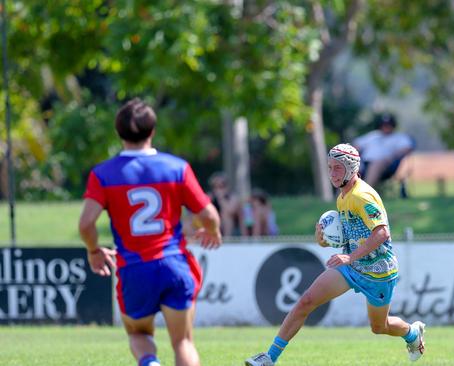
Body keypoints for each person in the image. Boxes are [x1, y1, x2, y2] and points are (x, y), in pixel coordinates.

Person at [245, 143, 425, 366]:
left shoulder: (363, 196)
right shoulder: (342, 197)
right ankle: (269, 358)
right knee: (306, 301)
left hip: (379, 272)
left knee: (380, 327)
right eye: (329, 167)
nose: (332, 173)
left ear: (351, 169)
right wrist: (323, 239)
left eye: (337, 168)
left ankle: (412, 333)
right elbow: (349, 237)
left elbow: (382, 233)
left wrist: (350, 256)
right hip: (351, 268)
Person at [78, 98, 222, 366]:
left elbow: (86, 224)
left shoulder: (103, 174)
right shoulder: (176, 168)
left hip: (134, 269)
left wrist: (94, 251)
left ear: (118, 132)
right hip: (173, 264)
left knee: (139, 334)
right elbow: (209, 215)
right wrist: (212, 231)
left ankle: (150, 363)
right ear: (152, 131)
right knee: (183, 342)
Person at [353, 113, 415, 189]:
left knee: (376, 163)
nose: (386, 127)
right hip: (364, 162)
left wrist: (393, 156)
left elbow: (408, 148)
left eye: (389, 125)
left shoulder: (399, 137)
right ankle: (341, 197)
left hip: (386, 165)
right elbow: (357, 145)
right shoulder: (373, 135)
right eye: (384, 125)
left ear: (393, 125)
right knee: (348, 164)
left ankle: (365, 192)